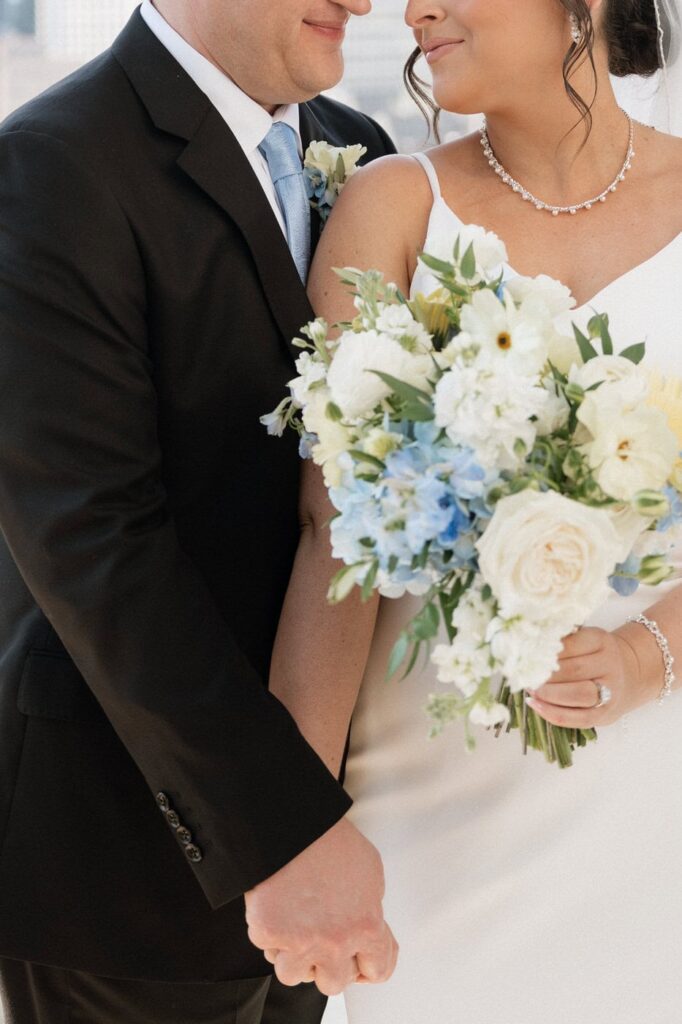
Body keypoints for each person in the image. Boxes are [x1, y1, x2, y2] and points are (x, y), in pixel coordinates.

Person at [270, 1, 682, 1022]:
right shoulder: (391, 206)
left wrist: (648, 656)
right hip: (430, 793)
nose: (415, 8)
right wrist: (290, 822)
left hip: (652, 780)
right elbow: (331, 537)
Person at [0, 2, 399, 1022]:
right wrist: (283, 829)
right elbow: (91, 539)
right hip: (121, 863)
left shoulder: (363, 156)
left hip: (331, 838)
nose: (362, 0)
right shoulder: (51, 162)